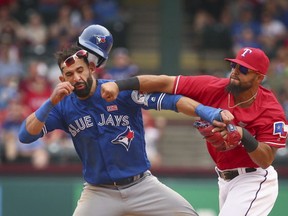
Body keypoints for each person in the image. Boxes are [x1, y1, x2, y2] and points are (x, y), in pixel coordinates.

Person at [18, 25, 234, 216]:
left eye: (80, 70)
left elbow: (172, 102)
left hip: (141, 186)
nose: (76, 78)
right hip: (98, 192)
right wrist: (50, 102)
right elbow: (25, 136)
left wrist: (209, 113)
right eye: (69, 74)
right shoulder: (62, 106)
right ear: (62, 79)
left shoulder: (118, 91)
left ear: (91, 68)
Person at [101, 47, 288, 216]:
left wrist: (243, 135)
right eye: (234, 66)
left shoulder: (270, 110)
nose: (235, 72)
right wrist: (119, 85)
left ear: (259, 77)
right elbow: (165, 82)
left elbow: (266, 160)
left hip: (254, 179)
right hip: (225, 179)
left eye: (244, 69)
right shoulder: (214, 88)